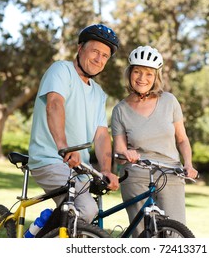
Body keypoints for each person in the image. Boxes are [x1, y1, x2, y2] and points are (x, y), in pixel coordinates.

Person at [28, 24, 120, 224]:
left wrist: (106, 170)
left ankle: (48, 227)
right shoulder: (61, 70)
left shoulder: (98, 93)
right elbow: (54, 105)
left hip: (79, 168)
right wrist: (63, 147)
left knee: (86, 223)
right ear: (80, 48)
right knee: (86, 210)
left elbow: (102, 134)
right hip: (51, 159)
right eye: (95, 51)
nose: (99, 59)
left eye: (105, 56)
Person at [111, 45, 198, 237]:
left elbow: (182, 139)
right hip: (136, 174)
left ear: (156, 77)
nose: (142, 78)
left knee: (175, 233)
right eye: (137, 72)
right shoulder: (120, 110)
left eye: (149, 74)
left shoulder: (169, 101)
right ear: (129, 74)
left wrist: (188, 164)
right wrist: (126, 154)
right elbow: (118, 153)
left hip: (170, 172)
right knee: (143, 234)